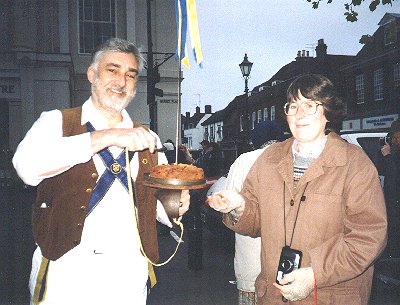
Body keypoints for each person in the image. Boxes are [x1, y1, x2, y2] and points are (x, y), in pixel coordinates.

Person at [12, 38, 190, 305]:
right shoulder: (55, 121)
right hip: (66, 280)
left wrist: (175, 205)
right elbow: (25, 168)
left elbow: (154, 208)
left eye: (131, 75)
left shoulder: (148, 137)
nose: (121, 81)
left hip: (127, 283)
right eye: (113, 70)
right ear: (92, 74)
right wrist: (107, 137)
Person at [207, 74, 387, 304]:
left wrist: (315, 274)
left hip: (328, 296)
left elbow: (368, 237)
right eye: (293, 106)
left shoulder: (354, 164)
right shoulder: (269, 159)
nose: (299, 114)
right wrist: (239, 206)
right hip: (273, 295)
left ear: (327, 112)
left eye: (309, 105)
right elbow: (254, 223)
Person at [225, 120, 284, 305]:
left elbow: (228, 201)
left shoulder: (244, 160)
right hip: (286, 258)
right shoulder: (290, 158)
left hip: (250, 252)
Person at [380, 119, 400, 258]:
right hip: (392, 202)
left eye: (397, 137)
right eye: (393, 137)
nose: (394, 140)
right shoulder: (395, 152)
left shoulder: (392, 155)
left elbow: (395, 176)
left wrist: (387, 156)